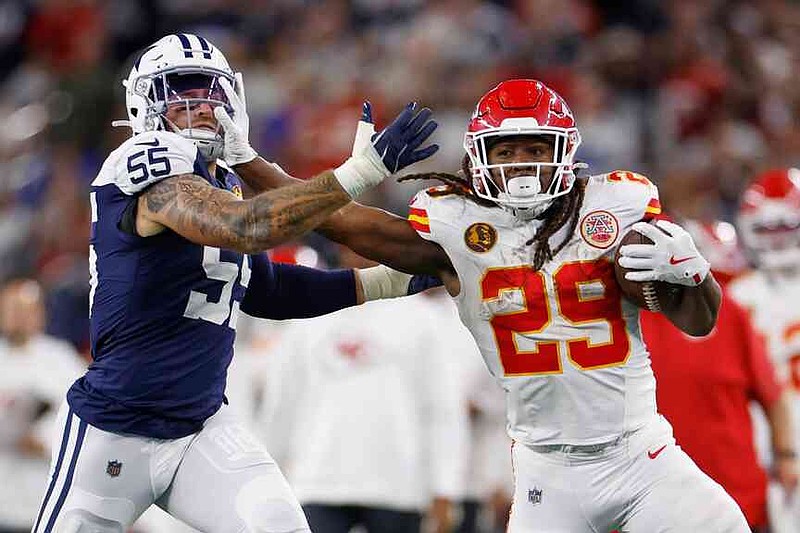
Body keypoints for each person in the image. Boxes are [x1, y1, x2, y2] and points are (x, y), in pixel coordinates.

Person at [232, 78, 750, 531]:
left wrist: (694, 273)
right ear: (479, 156)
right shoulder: (453, 227)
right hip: (548, 473)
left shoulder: (614, 209)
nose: (520, 165)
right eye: (505, 151)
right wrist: (246, 161)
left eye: (533, 148)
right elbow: (336, 220)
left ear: (565, 150)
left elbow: (699, 321)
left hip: (642, 454)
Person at [32, 33, 439, 533]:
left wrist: (388, 282)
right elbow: (243, 228)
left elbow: (266, 289)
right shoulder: (144, 163)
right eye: (180, 89)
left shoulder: (220, 178)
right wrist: (357, 173)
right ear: (145, 103)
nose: (201, 103)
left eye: (209, 89)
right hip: (114, 426)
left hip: (200, 427)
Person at [262, 247, 468, 533]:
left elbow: (442, 408)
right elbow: (282, 402)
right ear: (339, 245)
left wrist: (446, 487)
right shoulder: (308, 312)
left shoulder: (422, 318)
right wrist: (268, 479)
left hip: (398, 484)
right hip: (317, 480)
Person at [640, 219, 796, 532]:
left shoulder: (730, 312)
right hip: (654, 499)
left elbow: (772, 395)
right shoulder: (627, 319)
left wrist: (786, 455)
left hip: (736, 495)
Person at [729, 168, 800, 533]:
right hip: (761, 451)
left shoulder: (738, 296)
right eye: (766, 230)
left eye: (785, 228)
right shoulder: (737, 297)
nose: (775, 241)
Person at [0, 278, 85, 532]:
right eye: (11, 309)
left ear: (40, 314)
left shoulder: (61, 360)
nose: (18, 317)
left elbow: (84, 421)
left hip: (43, 495)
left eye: (25, 310)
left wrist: (44, 442)